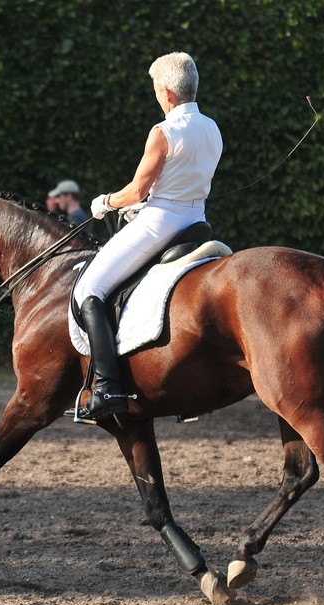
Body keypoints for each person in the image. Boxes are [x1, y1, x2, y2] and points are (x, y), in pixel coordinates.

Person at [74, 52, 223, 422]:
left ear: (168, 93)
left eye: (157, 90)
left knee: (88, 290)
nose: (157, 96)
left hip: (159, 224)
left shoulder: (163, 131)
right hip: (196, 221)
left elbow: (138, 191)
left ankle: (107, 388)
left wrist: (106, 202)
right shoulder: (212, 128)